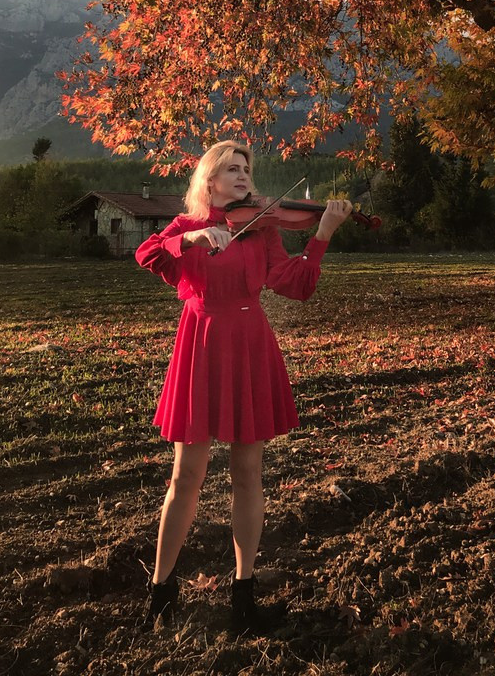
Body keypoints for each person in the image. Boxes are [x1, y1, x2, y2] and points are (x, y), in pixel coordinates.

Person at [135, 140, 352, 635]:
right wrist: (192, 241)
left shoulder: (263, 232)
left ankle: (243, 593)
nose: (242, 176)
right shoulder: (189, 227)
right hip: (202, 341)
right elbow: (147, 253)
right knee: (186, 477)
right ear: (209, 180)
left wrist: (321, 234)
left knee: (247, 474)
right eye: (231, 169)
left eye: (246, 170)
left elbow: (297, 285)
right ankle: (161, 590)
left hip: (251, 341)